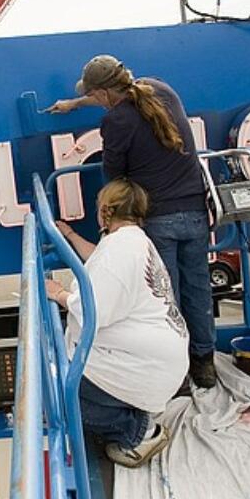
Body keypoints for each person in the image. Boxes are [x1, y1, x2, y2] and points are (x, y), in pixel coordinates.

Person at [47, 54, 217, 388]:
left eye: (94, 96)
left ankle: (178, 375)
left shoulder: (116, 122)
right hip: (197, 211)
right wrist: (75, 104)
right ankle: (205, 364)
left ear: (104, 94)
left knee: (167, 299)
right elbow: (121, 95)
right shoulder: (159, 89)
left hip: (158, 218)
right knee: (198, 289)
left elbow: (115, 175)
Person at [45, 178, 189, 466]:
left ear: (104, 211)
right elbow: (99, 260)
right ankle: (133, 413)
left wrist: (58, 293)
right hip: (157, 362)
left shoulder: (120, 251)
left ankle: (136, 431)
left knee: (53, 393)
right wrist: (71, 235)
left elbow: (93, 312)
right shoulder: (133, 240)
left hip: (143, 368)